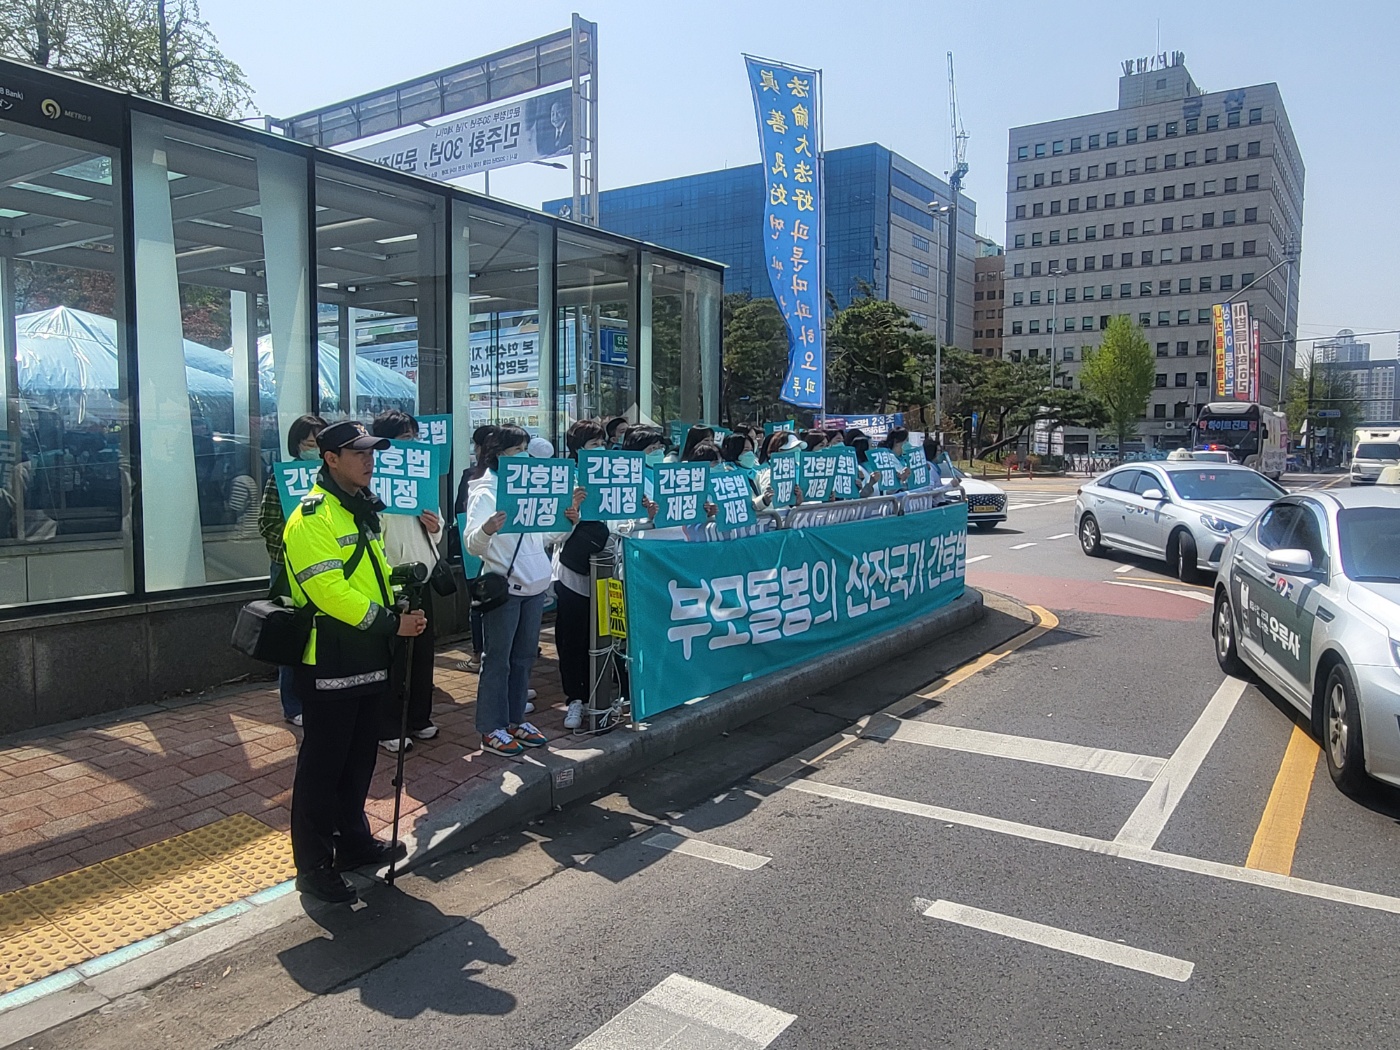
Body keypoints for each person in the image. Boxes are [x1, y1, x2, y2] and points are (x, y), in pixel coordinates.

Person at [283, 420, 427, 904]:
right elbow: (329, 592)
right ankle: (314, 866)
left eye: (371, 453)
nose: (369, 460)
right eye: (358, 452)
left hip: (368, 656)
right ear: (329, 458)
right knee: (323, 765)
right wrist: (391, 623)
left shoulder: (360, 509)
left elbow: (374, 571)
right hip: (328, 658)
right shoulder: (312, 516)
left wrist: (402, 591)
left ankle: (354, 842)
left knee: (360, 756)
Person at [464, 425, 571, 757]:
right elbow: (471, 544)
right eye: (517, 449)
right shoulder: (485, 492)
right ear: (498, 455)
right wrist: (486, 528)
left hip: (535, 585)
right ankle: (490, 727)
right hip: (504, 587)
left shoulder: (531, 488)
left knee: (524, 658)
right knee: (498, 660)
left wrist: (568, 522)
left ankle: (514, 719)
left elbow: (545, 537)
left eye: (525, 448)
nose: (524, 455)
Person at [370, 410, 444, 755]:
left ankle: (419, 716)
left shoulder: (421, 477)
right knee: (393, 658)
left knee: (422, 652)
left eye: (414, 438)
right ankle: (386, 725)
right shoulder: (374, 481)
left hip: (421, 580)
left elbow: (439, 528)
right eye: (404, 439)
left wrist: (434, 526)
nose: (411, 445)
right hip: (390, 583)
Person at [258, 413, 326, 727]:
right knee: (291, 637)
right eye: (308, 443)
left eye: (318, 442)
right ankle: (293, 705)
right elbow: (267, 523)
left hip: (325, 569)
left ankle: (318, 697)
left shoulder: (332, 479)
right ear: (297, 445)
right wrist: (294, 546)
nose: (313, 448)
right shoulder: (281, 479)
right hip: (288, 569)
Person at [553, 420, 608, 730]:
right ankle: (575, 699)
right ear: (578, 449)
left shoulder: (617, 476)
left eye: (603, 444)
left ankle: (604, 694)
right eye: (592, 445)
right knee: (572, 637)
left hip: (609, 570)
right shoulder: (567, 479)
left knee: (605, 634)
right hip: (573, 573)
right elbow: (552, 533)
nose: (600, 450)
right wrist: (571, 512)